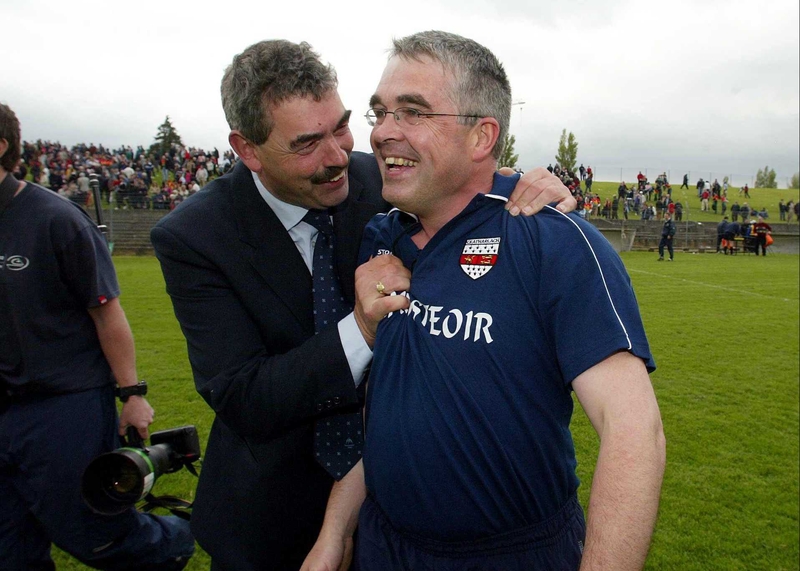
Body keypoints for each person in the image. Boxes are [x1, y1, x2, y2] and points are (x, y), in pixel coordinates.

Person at [150, 40, 574, 571]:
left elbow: (466, 185)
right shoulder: (195, 236)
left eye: (341, 127)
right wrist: (362, 330)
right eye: (307, 143)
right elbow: (244, 397)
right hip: (272, 519)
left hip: (394, 511)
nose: (336, 158)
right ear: (248, 149)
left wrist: (524, 184)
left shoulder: (386, 179)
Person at [305, 31, 665, 571]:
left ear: (481, 136)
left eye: (413, 112)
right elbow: (383, 408)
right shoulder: (381, 237)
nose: (382, 132)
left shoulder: (552, 241)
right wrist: (335, 531)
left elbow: (634, 431)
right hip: (383, 544)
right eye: (380, 112)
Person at [0, 103, 194, 570]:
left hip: (62, 402)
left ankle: (183, 540)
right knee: (8, 545)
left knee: (92, 532)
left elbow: (107, 315)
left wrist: (132, 394)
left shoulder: (54, 219)